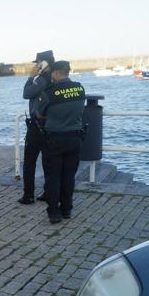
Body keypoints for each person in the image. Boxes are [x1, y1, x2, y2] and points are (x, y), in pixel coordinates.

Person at [34, 61, 86, 223]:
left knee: (53, 176)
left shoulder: (50, 92)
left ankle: (54, 212)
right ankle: (67, 209)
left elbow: (39, 114)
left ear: (56, 72)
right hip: (75, 138)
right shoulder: (79, 88)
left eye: (51, 73)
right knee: (69, 176)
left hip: (55, 139)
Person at [18, 50, 55, 205]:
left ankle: (28, 195)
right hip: (51, 125)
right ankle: (48, 192)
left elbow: (26, 93)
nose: (35, 65)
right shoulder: (55, 79)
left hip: (37, 126)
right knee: (48, 161)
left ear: (43, 63)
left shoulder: (41, 80)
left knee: (29, 161)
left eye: (37, 62)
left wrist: (31, 76)